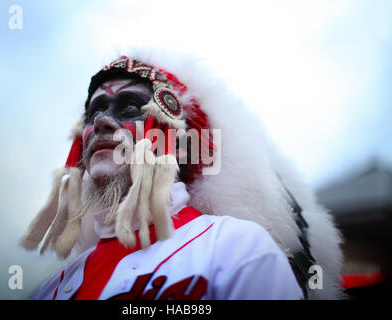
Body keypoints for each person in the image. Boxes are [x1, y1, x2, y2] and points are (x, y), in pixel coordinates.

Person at [20, 53, 344, 300]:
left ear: (173, 142)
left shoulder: (236, 248)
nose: (102, 120)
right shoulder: (50, 289)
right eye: (95, 111)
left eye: (130, 107)